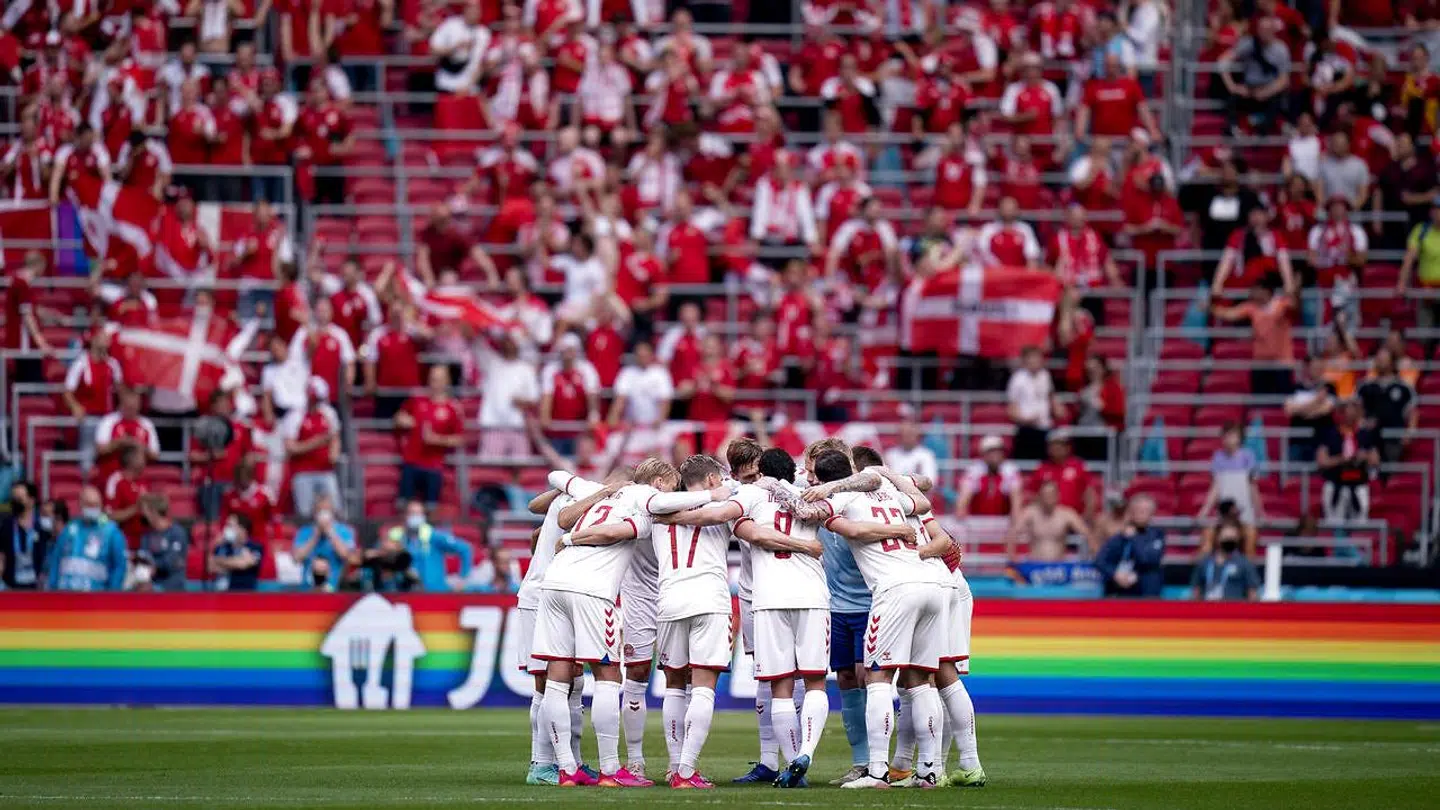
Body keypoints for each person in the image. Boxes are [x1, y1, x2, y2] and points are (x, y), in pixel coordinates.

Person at [535, 458, 729, 787]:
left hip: (555, 583)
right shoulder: (645, 503)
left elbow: (556, 478)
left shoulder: (600, 492)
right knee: (612, 677)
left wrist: (575, 530)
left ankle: (567, 768)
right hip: (602, 592)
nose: (673, 490)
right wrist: (715, 495)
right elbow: (625, 523)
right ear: (656, 483)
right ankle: (616, 769)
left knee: (557, 677)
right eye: (670, 485)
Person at [811, 450, 953, 789]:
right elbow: (920, 503)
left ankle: (876, 771)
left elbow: (849, 528)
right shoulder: (890, 494)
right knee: (920, 680)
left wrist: (818, 493)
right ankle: (930, 770)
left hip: (894, 590)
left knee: (877, 678)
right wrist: (893, 483)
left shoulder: (839, 499)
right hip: (930, 583)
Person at [1210, 282, 1298, 397]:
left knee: (1284, 399)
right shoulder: (1251, 307)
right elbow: (1229, 314)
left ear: (1266, 291)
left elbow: (1295, 306)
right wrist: (1211, 308)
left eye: (1255, 290)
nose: (1252, 293)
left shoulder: (1282, 304)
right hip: (1261, 361)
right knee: (1259, 399)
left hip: (1282, 361)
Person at [395, 365, 466, 506]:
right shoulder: (417, 400)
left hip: (434, 466)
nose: (435, 383)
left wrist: (437, 439)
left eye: (439, 379)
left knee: (431, 507)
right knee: (403, 504)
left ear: (447, 381)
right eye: (432, 379)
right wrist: (402, 420)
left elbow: (459, 439)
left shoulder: (453, 408)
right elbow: (399, 416)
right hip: (411, 462)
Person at [63, 328, 124, 476]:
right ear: (93, 340)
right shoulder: (81, 363)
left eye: (107, 338)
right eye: (102, 337)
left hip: (108, 417)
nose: (106, 341)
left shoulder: (113, 364)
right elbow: (67, 392)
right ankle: (87, 472)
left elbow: (121, 390)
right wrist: (75, 407)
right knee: (88, 449)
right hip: (90, 417)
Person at [46, 486, 127, 592]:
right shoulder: (70, 528)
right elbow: (56, 560)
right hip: (65, 595)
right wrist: (52, 589)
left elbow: (119, 566)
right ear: (80, 504)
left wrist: (111, 594)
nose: (93, 508)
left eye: (96, 504)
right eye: (89, 504)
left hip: (96, 597)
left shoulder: (111, 531)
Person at [283, 377, 343, 519]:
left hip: (326, 470)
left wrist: (334, 453)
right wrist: (315, 443)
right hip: (303, 472)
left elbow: (335, 437)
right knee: (305, 513)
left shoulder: (328, 413)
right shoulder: (296, 415)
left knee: (335, 509)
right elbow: (291, 447)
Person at [384, 500, 473, 592]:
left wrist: (463, 578)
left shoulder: (433, 535)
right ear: (405, 515)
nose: (416, 517)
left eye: (419, 514)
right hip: (407, 592)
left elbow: (465, 548)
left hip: (435, 593)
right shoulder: (396, 536)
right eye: (412, 513)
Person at [1317, 398, 1379, 524]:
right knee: (1334, 524)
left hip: (1358, 484)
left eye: (1354, 410)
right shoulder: (1330, 434)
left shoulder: (1365, 434)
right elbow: (1322, 461)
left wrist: (1364, 456)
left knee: (1360, 524)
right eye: (1347, 411)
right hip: (1336, 484)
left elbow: (1375, 460)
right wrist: (1341, 459)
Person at [1198, 422, 1263, 541]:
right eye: (1226, 435)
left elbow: (1253, 486)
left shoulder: (1248, 456)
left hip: (1245, 509)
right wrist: (1204, 511)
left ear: (1239, 438)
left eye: (1232, 435)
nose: (1228, 439)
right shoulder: (1218, 457)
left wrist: (1260, 512)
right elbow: (1215, 487)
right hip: (1224, 509)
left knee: (1249, 538)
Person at [1094, 494, 1165, 598]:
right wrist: (1115, 574)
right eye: (1137, 510)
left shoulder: (1157, 535)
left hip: (1147, 592)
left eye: (1145, 510)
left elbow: (1147, 559)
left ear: (1151, 513)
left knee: (1152, 575)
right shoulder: (1121, 536)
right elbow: (1100, 560)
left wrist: (1133, 538)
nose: (1140, 513)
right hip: (1121, 591)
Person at [1356, 349, 1418, 464]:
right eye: (1378, 360)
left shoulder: (1404, 388)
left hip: (1393, 438)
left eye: (1383, 360)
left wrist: (1410, 433)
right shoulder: (1366, 387)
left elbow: (1412, 413)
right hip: (1369, 438)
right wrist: (1362, 423)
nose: (1380, 362)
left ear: (1392, 362)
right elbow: (1357, 410)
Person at [292, 495, 358, 591]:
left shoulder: (344, 531)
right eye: (320, 510)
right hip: (308, 589)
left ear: (333, 512)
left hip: (335, 588)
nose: (323, 513)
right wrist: (315, 536)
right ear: (314, 512)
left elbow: (347, 556)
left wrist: (330, 533)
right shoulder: (304, 532)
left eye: (327, 510)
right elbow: (297, 558)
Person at [1006, 346, 1061, 461]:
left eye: (1037, 358)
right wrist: (1026, 420)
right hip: (1026, 430)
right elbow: (1011, 409)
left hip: (1045, 427)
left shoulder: (1046, 375)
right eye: (1031, 358)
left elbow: (1051, 397)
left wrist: (1058, 409)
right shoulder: (1017, 379)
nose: (1034, 361)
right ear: (1025, 360)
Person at [1015, 481, 1091, 562]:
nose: (1048, 497)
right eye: (1045, 494)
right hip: (1035, 566)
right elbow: (1012, 534)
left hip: (1058, 568)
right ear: (1040, 496)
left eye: (1051, 494)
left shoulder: (1067, 514)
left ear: (1058, 495)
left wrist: (1096, 559)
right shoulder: (1030, 513)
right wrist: (1013, 559)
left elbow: (1088, 534)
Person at [1398, 196, 1440, 340]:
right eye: (1435, 209)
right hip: (1426, 290)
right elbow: (1409, 259)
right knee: (1424, 336)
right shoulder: (1421, 230)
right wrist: (1402, 283)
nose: (1438, 213)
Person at [1189, 519, 1260, 601]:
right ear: (1218, 538)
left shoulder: (1245, 563)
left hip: (1234, 611)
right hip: (1207, 610)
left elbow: (1252, 594)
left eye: (1232, 538)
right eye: (1226, 537)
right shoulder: (1205, 562)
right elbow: (1196, 591)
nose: (1229, 541)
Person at [1285, 355, 1337, 463]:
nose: (1318, 371)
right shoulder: (1295, 388)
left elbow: (1326, 409)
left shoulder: (1329, 387)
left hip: (1321, 443)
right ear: (1307, 368)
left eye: (1320, 367)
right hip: (1297, 441)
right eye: (1314, 367)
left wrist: (1301, 410)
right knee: (1293, 478)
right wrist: (1317, 401)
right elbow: (1289, 410)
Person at [1, 480, 51, 590]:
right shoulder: (6, 526)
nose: (15, 502)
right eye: (13, 498)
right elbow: (2, 556)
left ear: (31, 500)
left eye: (19, 499)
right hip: (11, 588)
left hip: (37, 588)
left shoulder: (42, 527)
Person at [135, 493, 189, 592]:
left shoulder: (176, 533)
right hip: (150, 586)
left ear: (153, 512)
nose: (142, 515)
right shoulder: (146, 535)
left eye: (145, 512)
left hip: (172, 590)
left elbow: (173, 560)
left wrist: (154, 566)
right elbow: (144, 557)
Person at [209, 513, 264, 592]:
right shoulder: (222, 546)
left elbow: (242, 565)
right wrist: (236, 562)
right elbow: (210, 566)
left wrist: (219, 562)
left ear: (243, 529)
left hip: (243, 595)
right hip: (220, 595)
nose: (226, 529)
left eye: (230, 526)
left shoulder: (255, 547)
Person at [885, 421, 939, 485]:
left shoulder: (926, 455)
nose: (906, 438)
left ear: (917, 436)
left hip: (918, 492)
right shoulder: (890, 454)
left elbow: (931, 481)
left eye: (909, 434)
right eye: (903, 434)